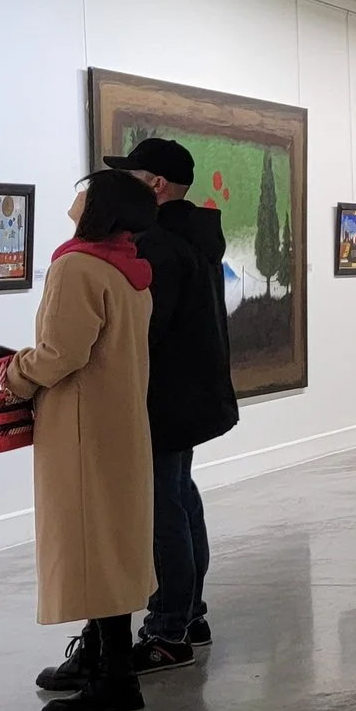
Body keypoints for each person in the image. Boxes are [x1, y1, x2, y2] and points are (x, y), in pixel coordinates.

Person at [8, 171, 160, 711]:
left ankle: (113, 677)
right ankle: (102, 657)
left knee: (88, 541)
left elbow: (60, 354)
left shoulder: (76, 267)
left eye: (85, 191)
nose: (75, 198)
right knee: (111, 538)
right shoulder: (131, 271)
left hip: (79, 422)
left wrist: (12, 374)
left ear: (101, 208)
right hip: (119, 419)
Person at [105, 137, 238, 674]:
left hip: (163, 396)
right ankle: (190, 615)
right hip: (193, 395)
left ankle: (167, 631)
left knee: (163, 509)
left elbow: (147, 329)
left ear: (155, 184)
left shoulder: (157, 243)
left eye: (130, 176)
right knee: (179, 498)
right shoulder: (195, 235)